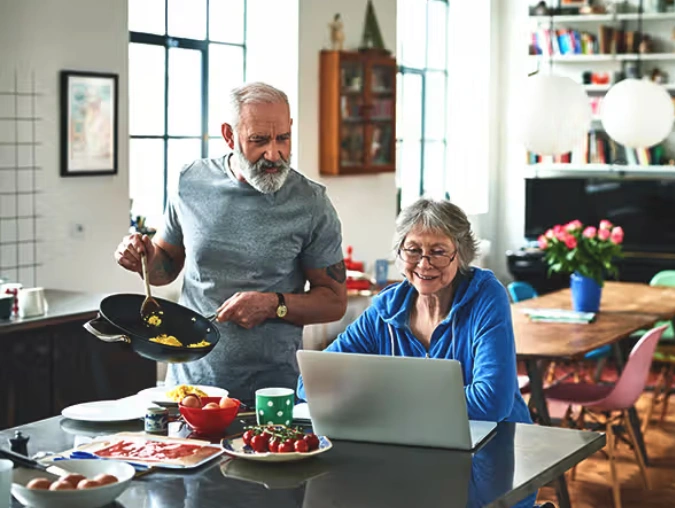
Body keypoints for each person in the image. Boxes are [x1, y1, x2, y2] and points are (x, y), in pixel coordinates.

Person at [114, 82, 348, 401]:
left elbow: (334, 301)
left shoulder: (311, 203)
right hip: (188, 388)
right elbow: (165, 268)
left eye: (283, 138)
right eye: (259, 140)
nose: (274, 153)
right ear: (229, 135)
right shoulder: (190, 181)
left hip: (271, 392)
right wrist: (141, 257)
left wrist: (273, 305)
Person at [297, 198, 531, 424]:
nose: (424, 263)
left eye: (438, 251)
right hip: (415, 441)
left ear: (460, 255)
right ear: (400, 252)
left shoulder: (486, 296)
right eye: (413, 250)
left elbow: (491, 402)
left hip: (496, 442)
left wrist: (384, 399)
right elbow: (309, 383)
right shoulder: (386, 309)